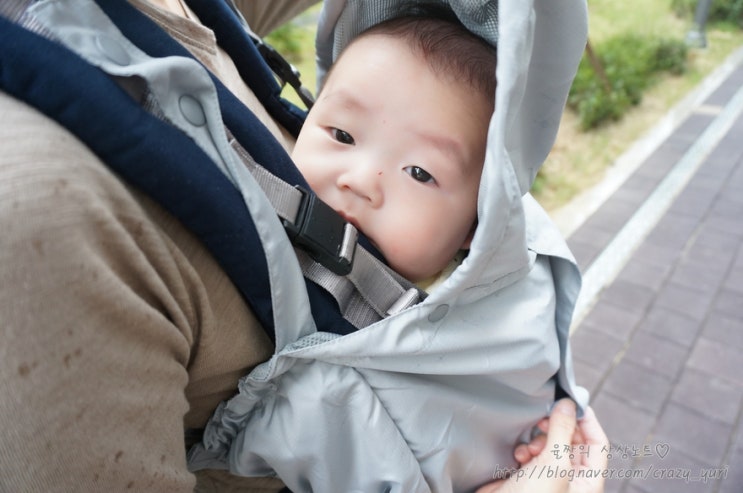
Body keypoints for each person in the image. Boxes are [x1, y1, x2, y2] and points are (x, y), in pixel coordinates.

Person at [1, 0, 599, 491]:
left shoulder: (208, 13)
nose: (361, 178)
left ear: (477, 228)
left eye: (420, 173)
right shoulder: (39, 204)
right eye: (340, 134)